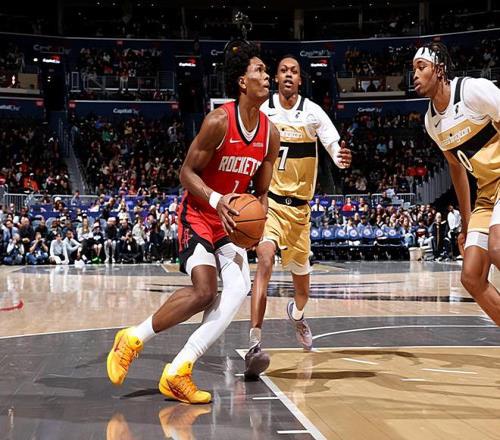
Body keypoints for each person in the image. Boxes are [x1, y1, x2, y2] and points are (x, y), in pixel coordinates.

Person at [106, 40, 279, 403]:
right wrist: (217, 200)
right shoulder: (219, 121)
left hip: (231, 223)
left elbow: (262, 192)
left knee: (238, 288)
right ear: (242, 82)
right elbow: (186, 173)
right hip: (199, 213)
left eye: (267, 71)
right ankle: (132, 338)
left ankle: (179, 369)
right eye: (260, 70)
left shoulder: (270, 135)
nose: (267, 76)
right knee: (205, 291)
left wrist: (257, 230)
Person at [245, 55, 352, 378]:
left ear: (300, 80)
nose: (289, 75)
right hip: (271, 205)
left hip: (301, 212)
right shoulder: (263, 111)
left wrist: (341, 157)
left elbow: (333, 143)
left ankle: (297, 314)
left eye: (294, 71)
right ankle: (254, 343)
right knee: (264, 260)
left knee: (302, 292)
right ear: (276, 78)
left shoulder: (312, 112)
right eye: (283, 71)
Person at [413, 42, 500, 322]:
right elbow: (455, 167)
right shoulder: (431, 122)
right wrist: (466, 221)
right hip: (486, 191)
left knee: (497, 247)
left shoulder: (472, 90)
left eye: (421, 67)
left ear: (439, 69)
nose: (415, 75)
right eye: (413, 69)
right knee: (471, 276)